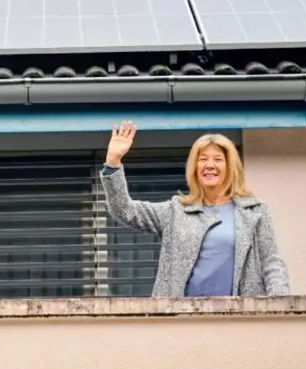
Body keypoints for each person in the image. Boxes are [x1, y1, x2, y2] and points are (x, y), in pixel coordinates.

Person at [100, 121, 289, 297]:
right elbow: (123, 210)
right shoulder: (175, 211)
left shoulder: (254, 211)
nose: (209, 165)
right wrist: (113, 162)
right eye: (203, 159)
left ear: (230, 167)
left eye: (218, 159)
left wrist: (281, 305)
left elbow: (271, 263)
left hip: (239, 316)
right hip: (183, 316)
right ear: (195, 168)